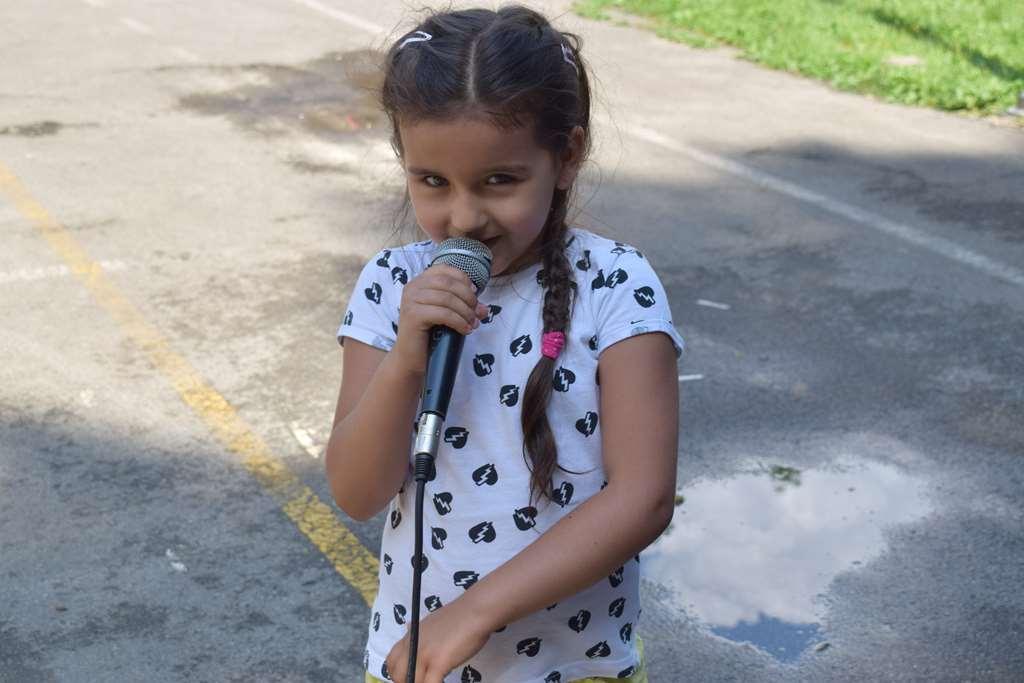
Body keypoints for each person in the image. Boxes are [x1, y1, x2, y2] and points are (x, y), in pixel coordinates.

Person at [326, 5, 684, 682]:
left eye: (499, 180)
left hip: (578, 666)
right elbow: (357, 491)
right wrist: (406, 361)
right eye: (432, 181)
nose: (463, 216)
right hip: (419, 664)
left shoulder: (616, 284)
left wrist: (476, 612)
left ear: (566, 156)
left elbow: (644, 496)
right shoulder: (390, 285)